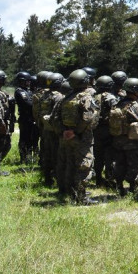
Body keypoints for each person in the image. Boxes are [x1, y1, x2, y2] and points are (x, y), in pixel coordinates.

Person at [50, 69, 100, 204]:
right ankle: (81, 197)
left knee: (69, 164)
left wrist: (63, 132)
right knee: (84, 165)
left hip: (66, 138)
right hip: (82, 138)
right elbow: (88, 118)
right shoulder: (86, 97)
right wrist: (76, 132)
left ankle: (69, 192)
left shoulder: (66, 98)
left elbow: (54, 118)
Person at [110, 78, 138, 196]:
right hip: (132, 142)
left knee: (119, 163)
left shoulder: (118, 104)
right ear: (136, 91)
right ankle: (133, 189)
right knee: (134, 164)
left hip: (118, 139)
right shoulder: (135, 106)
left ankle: (119, 187)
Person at [34, 72, 63, 187]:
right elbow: (57, 114)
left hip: (46, 129)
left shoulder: (44, 95)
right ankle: (56, 179)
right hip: (55, 130)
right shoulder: (58, 96)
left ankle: (47, 178)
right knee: (57, 155)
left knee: (47, 153)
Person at [92, 75, 118, 187]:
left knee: (98, 155)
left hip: (96, 129)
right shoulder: (111, 97)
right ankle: (109, 179)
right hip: (108, 129)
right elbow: (116, 113)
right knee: (110, 155)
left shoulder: (93, 96)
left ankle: (98, 178)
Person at [14, 71, 38, 164]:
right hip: (25, 118)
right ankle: (23, 158)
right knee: (24, 139)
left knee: (32, 138)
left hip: (31, 118)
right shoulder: (20, 91)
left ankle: (30, 157)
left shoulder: (28, 91)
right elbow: (29, 104)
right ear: (22, 81)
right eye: (27, 81)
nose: (29, 82)